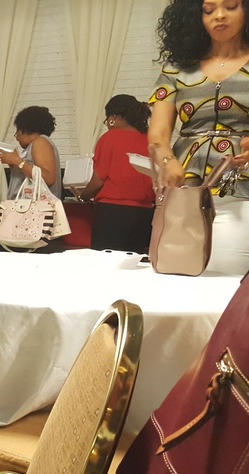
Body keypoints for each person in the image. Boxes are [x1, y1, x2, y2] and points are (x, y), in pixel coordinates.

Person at [149, 0, 249, 275]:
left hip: (240, 188)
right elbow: (158, 133)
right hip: (185, 193)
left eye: (231, 6)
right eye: (209, 10)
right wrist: (167, 160)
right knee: (177, 270)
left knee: (227, 273)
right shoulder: (177, 68)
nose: (219, 15)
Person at [77, 95, 155, 254]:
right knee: (135, 261)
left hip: (113, 213)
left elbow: (98, 180)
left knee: (105, 262)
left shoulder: (109, 138)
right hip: (144, 214)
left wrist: (84, 195)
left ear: (113, 117)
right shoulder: (150, 140)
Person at [0, 105, 63, 201]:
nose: (16, 137)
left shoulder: (40, 142)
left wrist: (16, 161)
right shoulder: (36, 144)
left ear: (25, 129)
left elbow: (48, 178)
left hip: (36, 207)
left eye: (17, 131)